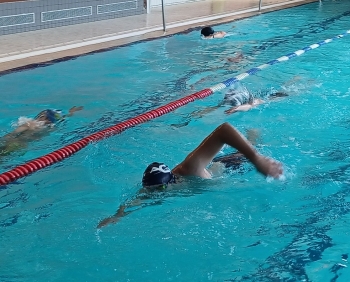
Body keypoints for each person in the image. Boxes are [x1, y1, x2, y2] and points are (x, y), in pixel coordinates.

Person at [97, 122, 283, 228]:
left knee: (255, 147)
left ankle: (254, 135)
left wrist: (257, 159)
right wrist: (118, 215)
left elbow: (224, 129)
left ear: (171, 181)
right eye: (152, 191)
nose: (156, 196)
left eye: (160, 189)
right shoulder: (156, 188)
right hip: (216, 170)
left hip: (231, 166)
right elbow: (137, 199)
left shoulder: (189, 169)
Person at [0, 106, 83, 157]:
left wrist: (71, 113)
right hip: (14, 144)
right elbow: (12, 134)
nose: (48, 121)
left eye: (50, 120)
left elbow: (62, 119)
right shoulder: (30, 124)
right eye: (47, 118)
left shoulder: (47, 127)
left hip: (21, 146)